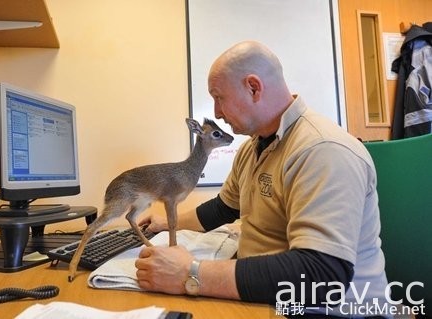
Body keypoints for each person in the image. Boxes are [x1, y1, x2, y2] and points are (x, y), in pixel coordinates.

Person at [134, 41, 389, 317]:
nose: (217, 112)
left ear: (254, 88)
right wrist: (163, 223)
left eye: (219, 97)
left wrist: (190, 273)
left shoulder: (323, 150)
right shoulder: (251, 147)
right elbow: (223, 208)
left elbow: (322, 276)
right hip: (268, 297)